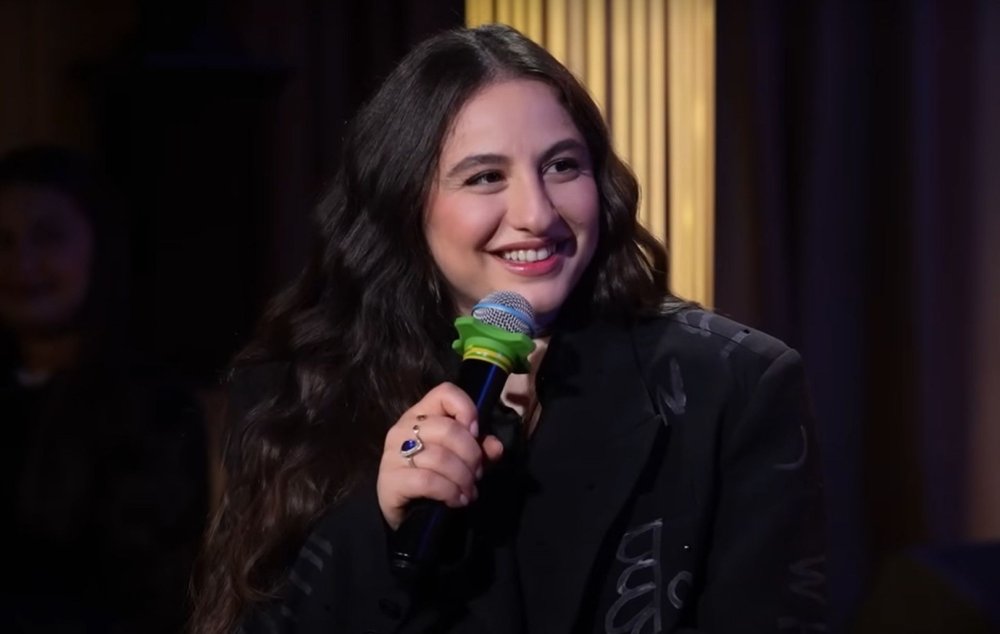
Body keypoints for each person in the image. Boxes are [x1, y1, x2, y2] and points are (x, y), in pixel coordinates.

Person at [192, 24, 827, 634]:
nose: (537, 213)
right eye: (486, 176)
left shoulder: (735, 385)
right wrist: (379, 524)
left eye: (562, 166)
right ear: (405, 202)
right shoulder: (303, 388)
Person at [0, 146, 208, 633]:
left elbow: (149, 592)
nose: (21, 263)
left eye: (47, 237)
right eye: (2, 242)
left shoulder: (152, 405)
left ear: (98, 246)